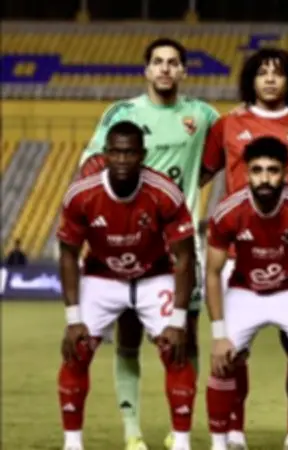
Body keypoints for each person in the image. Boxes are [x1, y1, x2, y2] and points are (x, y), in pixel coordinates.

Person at [78, 37, 218, 450]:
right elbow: (91, 165)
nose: (165, 68)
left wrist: (196, 181)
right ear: (147, 69)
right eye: (158, 62)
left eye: (173, 62)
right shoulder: (123, 113)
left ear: (184, 71)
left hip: (179, 244)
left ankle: (180, 431)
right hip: (129, 242)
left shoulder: (202, 114)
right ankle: (132, 431)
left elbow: (227, 151)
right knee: (128, 336)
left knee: (186, 336)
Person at [201, 47, 288, 450]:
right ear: (251, 80)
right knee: (233, 353)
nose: (270, 79)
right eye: (262, 73)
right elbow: (201, 174)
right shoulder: (229, 123)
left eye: (278, 73)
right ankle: (234, 431)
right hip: (239, 252)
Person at [56, 121, 197, 450]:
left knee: (175, 351)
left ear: (142, 155)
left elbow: (185, 257)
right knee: (76, 350)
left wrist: (178, 321)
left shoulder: (164, 192)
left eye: (130, 152)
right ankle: (72, 443)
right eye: (116, 152)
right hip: (102, 276)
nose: (122, 160)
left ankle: (182, 442)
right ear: (105, 154)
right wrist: (73, 318)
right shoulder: (81, 195)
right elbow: (68, 255)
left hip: (154, 275)